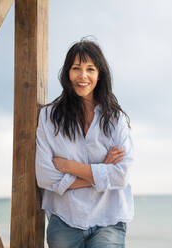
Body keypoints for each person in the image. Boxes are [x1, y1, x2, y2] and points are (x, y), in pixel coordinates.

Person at [35, 39, 134, 248]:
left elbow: (121, 175)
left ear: (100, 74)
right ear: (67, 73)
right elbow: (45, 177)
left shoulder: (116, 119)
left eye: (90, 69)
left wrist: (69, 167)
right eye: (76, 68)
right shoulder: (48, 117)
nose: (83, 76)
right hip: (65, 220)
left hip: (109, 219)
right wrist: (103, 170)